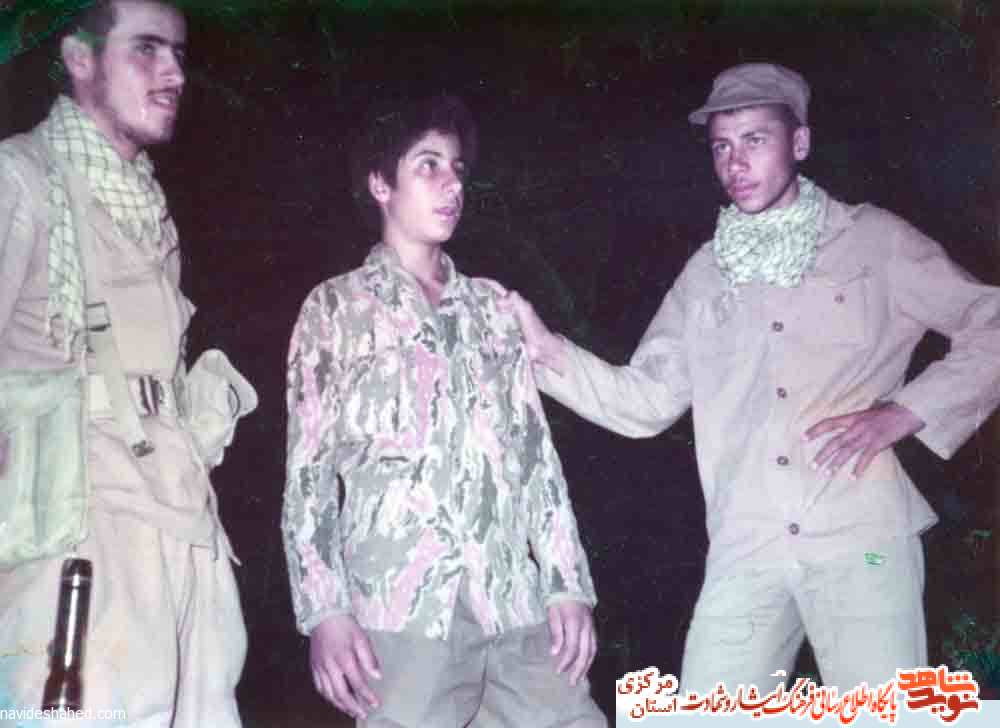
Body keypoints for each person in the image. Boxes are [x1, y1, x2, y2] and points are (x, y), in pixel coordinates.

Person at [506, 62, 1000, 695]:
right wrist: (546, 352)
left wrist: (906, 411)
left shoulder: (873, 240)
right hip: (747, 541)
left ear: (800, 142)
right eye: (721, 147)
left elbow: (990, 321)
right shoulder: (707, 272)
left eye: (755, 140)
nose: (735, 163)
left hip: (862, 537)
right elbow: (644, 401)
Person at [282, 94, 606, 726]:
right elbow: (307, 476)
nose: (452, 184)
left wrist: (567, 584)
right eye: (428, 165)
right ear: (381, 184)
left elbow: (536, 460)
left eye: (457, 168)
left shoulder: (493, 309)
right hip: (403, 616)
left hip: (510, 603)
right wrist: (324, 611)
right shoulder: (334, 309)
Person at [0, 2, 254, 725]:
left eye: (178, 53)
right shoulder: (21, 179)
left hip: (179, 521)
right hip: (75, 532)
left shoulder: (146, 207)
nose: (174, 72)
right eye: (146, 49)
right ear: (80, 59)